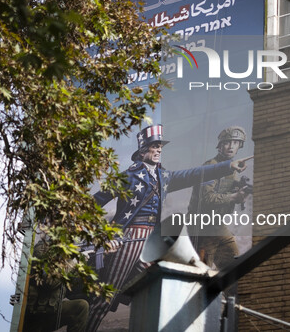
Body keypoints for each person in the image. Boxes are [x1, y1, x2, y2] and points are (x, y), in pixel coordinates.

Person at [86, 124, 249, 331]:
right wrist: (104, 235)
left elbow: (193, 174)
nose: (159, 150)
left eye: (160, 146)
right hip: (129, 236)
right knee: (106, 296)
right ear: (143, 150)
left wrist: (228, 166)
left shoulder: (163, 177)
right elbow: (92, 204)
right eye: (154, 146)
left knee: (159, 286)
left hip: (151, 240)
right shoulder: (127, 176)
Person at [187, 126, 250, 270]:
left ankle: (230, 293)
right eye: (227, 142)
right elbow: (206, 199)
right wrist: (233, 197)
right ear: (220, 146)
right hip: (201, 227)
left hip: (217, 225)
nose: (231, 146)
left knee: (234, 266)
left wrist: (240, 196)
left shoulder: (232, 170)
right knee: (200, 272)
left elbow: (228, 195)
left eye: (235, 143)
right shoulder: (210, 167)